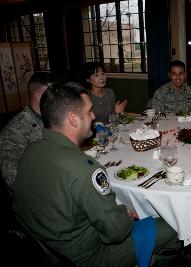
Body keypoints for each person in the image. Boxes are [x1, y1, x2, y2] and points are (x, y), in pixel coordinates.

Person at [12, 82, 180, 267]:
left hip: (39, 250)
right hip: (86, 258)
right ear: (73, 119)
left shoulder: (30, 151)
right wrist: (124, 213)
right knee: (174, 225)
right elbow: (117, 231)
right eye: (89, 111)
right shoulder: (85, 169)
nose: (93, 116)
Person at [0, 72, 54, 191]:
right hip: (37, 193)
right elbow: (11, 177)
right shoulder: (14, 130)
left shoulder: (53, 118)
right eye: (53, 94)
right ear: (38, 95)